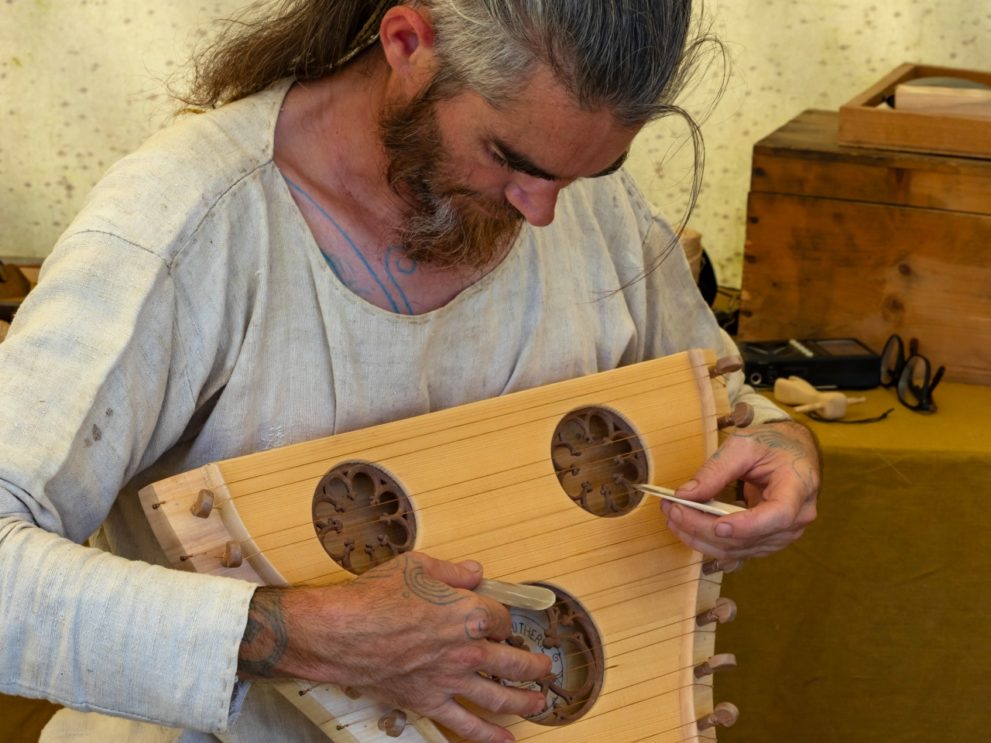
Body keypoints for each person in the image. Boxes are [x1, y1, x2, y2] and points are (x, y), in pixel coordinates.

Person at [0, 1, 820, 742]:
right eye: (509, 157)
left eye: (584, 173)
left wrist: (779, 445)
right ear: (408, 42)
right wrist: (298, 633)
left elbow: (723, 400)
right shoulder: (181, 228)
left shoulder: (581, 203)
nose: (543, 211)